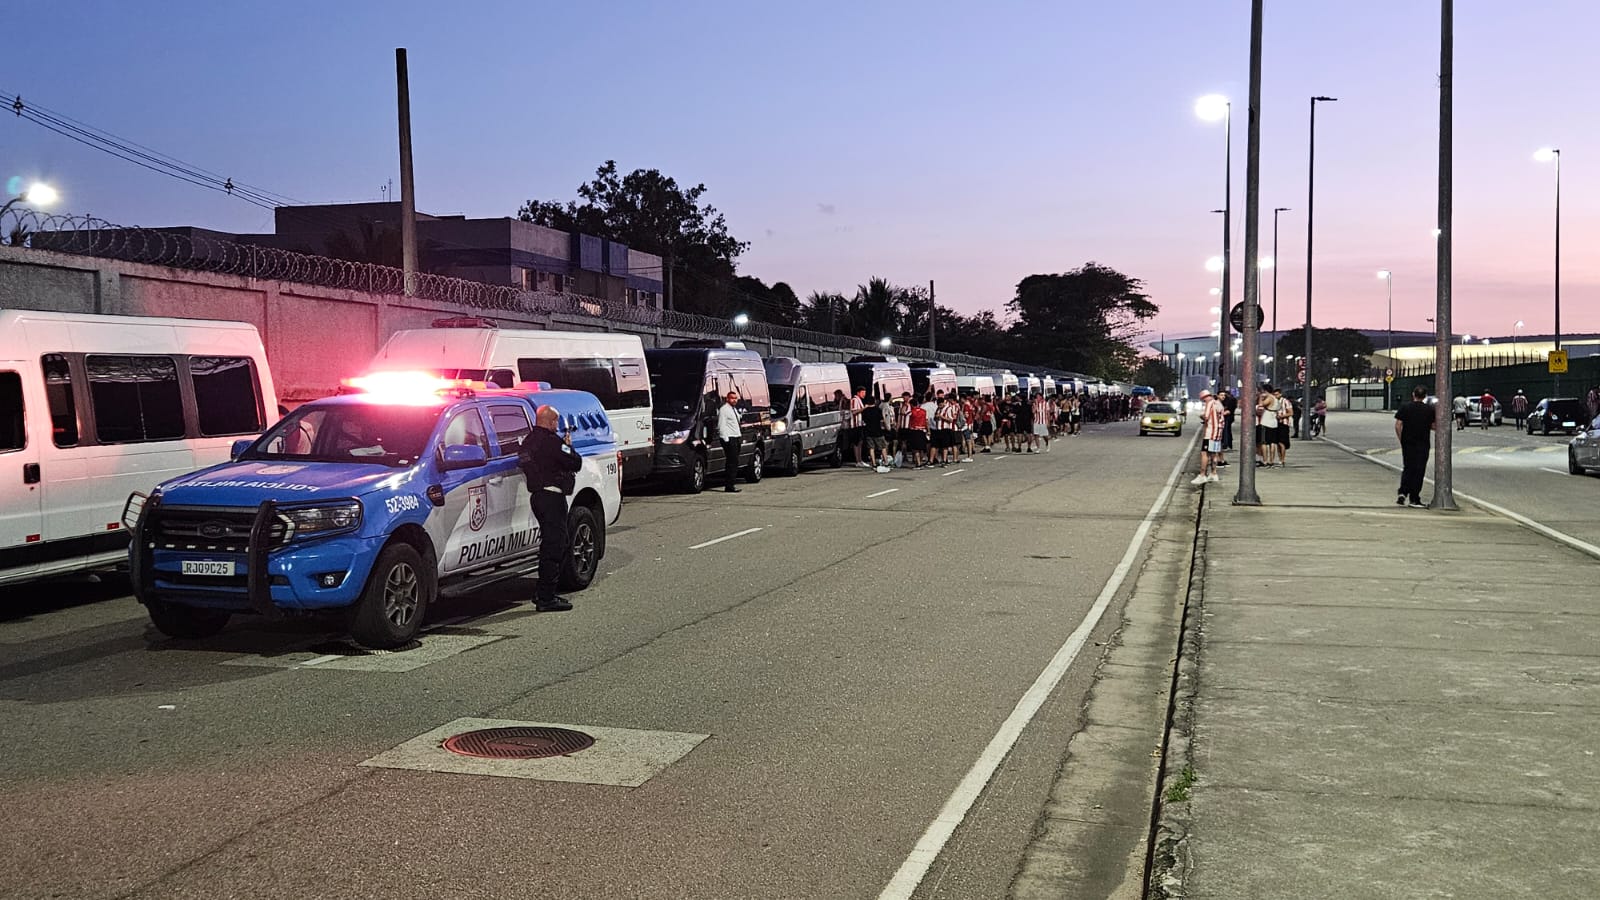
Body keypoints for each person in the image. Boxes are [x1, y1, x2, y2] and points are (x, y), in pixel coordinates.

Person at [517, 404, 584, 612]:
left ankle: (543, 593)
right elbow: (575, 462)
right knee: (555, 546)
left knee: (552, 543)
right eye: (556, 421)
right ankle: (546, 597)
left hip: (538, 497)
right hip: (552, 497)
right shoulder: (553, 442)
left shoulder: (528, 441)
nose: (557, 425)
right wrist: (569, 446)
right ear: (551, 421)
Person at [1395, 384, 1436, 508]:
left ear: (1413, 394)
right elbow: (1433, 426)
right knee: (1419, 470)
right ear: (1425, 396)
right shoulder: (1429, 409)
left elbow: (1398, 425)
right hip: (1422, 443)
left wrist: (1402, 440)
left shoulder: (1405, 407)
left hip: (1408, 443)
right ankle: (1414, 498)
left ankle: (1402, 492)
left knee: (1408, 467)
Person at [1192, 389, 1223, 486]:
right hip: (1218, 432)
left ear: (1205, 398)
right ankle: (1214, 473)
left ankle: (1202, 475)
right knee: (1214, 453)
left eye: (1203, 400)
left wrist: (1201, 416)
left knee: (1204, 453)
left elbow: (1206, 416)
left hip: (1210, 432)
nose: (1204, 401)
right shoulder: (1218, 403)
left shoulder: (1210, 403)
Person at [716, 390, 743, 493]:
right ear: (727, 399)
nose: (734, 400)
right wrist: (726, 439)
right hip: (730, 438)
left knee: (735, 462)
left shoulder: (733, 409)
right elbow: (721, 425)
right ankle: (729, 485)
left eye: (735, 398)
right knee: (731, 462)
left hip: (736, 437)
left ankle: (732, 483)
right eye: (732, 398)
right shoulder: (724, 410)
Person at [862, 393, 890, 472]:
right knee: (883, 447)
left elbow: (864, 421)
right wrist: (886, 427)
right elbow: (882, 420)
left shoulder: (865, 411)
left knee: (871, 448)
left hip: (868, 431)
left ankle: (873, 463)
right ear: (874, 401)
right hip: (878, 431)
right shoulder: (878, 410)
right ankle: (886, 462)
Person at [1274, 387, 1293, 467]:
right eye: (1274, 395)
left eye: (1277, 394)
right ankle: (1280, 459)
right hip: (1275, 424)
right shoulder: (1274, 402)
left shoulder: (1285, 401)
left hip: (1284, 424)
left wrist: (1281, 416)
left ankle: (1282, 459)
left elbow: (1290, 413)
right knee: (1277, 442)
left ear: (1280, 394)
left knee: (1282, 442)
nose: (1276, 396)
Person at [1219, 389, 1236, 466]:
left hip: (1227, 418)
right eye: (1222, 395)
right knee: (1227, 431)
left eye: (1224, 395)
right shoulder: (1231, 400)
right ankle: (1227, 444)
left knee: (1226, 432)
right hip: (1228, 418)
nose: (1223, 397)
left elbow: (1229, 410)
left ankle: (1226, 444)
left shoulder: (1230, 401)